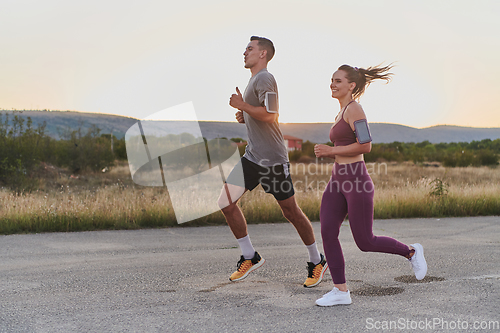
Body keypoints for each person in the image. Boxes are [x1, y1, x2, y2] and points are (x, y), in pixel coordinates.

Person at [218, 36, 327, 288]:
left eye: (250, 49)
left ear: (263, 54)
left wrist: (244, 105)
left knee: (290, 211)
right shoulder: (253, 80)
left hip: (272, 160)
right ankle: (250, 256)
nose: (244, 52)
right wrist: (245, 114)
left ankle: (317, 260)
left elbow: (272, 115)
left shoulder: (265, 78)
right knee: (225, 201)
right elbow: (261, 114)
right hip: (253, 156)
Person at [313, 64, 427, 306]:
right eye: (331, 80)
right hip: (337, 180)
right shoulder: (340, 112)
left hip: (356, 180)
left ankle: (411, 252)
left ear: (351, 85)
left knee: (365, 241)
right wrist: (333, 155)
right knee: (327, 232)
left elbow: (366, 145)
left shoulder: (355, 109)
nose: (332, 84)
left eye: (338, 81)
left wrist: (331, 150)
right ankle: (340, 291)